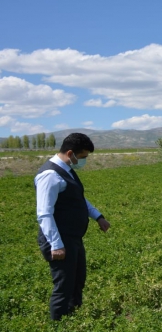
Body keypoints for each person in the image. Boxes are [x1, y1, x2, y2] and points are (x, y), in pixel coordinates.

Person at [35, 133, 111, 320]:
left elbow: (78, 198)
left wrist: (97, 216)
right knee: (64, 286)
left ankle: (74, 319)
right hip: (60, 239)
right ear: (70, 153)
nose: (84, 161)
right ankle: (59, 329)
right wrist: (56, 244)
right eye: (83, 157)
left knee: (77, 280)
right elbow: (44, 213)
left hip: (72, 237)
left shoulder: (67, 170)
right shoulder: (50, 175)